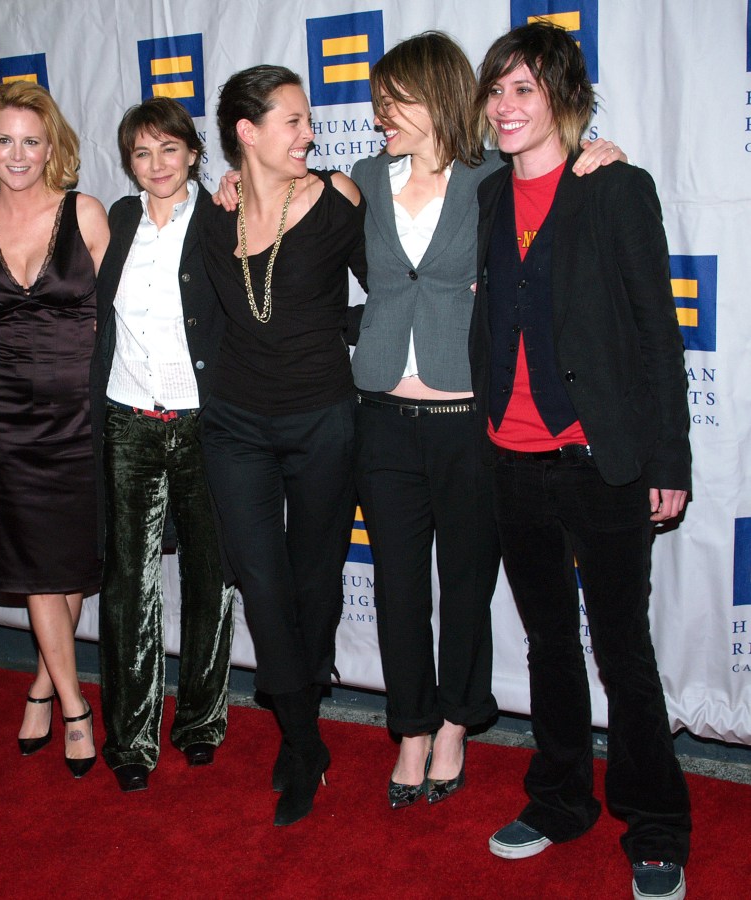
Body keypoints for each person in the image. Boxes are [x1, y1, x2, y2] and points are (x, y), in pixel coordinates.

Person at [215, 34, 622, 811]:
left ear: (433, 98)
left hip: (470, 416)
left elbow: (557, 212)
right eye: (375, 103)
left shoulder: (492, 181)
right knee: (401, 586)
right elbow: (285, 212)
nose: (377, 117)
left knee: (466, 584)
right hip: (379, 414)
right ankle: (410, 725)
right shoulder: (360, 180)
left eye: (390, 101)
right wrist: (236, 184)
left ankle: (456, 726)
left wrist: (595, 157)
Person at [469, 23, 691, 900]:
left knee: (623, 650)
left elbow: (656, 335)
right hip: (511, 458)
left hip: (598, 460)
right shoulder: (488, 196)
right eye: (496, 91)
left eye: (524, 89)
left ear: (563, 97)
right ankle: (561, 798)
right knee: (549, 644)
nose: (506, 106)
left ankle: (658, 823)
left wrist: (666, 456)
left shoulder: (614, 188)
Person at [197, 65, 367, 826]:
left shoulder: (337, 199)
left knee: (315, 585)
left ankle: (300, 725)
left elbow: (391, 285)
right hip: (235, 424)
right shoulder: (215, 213)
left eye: (308, 120)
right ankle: (303, 743)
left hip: (323, 421)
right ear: (248, 133)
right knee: (262, 587)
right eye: (292, 121)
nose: (309, 133)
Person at [0, 82, 109, 779]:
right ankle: (76, 705)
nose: (17, 154)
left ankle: (44, 681)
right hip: (11, 415)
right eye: (4, 140)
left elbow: (128, 316)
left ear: (54, 147)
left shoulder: (87, 214)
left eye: (31, 141)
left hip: (85, 410)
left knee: (70, 559)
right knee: (42, 565)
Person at [91, 97, 235, 793]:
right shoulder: (117, 220)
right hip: (127, 420)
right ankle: (130, 738)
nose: (156, 165)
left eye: (169, 150)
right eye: (142, 154)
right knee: (128, 588)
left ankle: (202, 722)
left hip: (206, 421)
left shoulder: (221, 216)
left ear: (194, 154)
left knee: (211, 575)